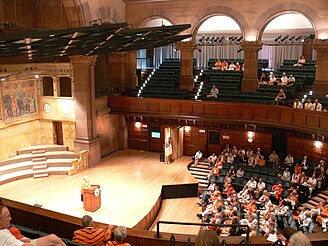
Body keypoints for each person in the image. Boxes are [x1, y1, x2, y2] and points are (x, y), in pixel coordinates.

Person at [0, 205, 66, 246]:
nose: (10, 219)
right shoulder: (5, 237)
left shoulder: (4, 231)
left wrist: (19, 241)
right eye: (7, 216)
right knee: (54, 239)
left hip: (19, 241)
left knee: (53, 238)